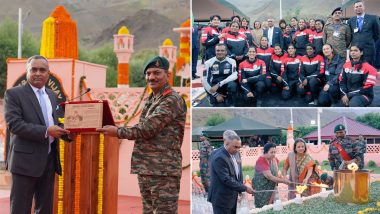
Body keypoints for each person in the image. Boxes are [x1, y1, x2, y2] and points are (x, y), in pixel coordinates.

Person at [96, 56, 187, 214]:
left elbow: (147, 129)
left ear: (168, 75)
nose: (151, 77)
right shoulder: (153, 99)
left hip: (163, 169)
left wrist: (117, 132)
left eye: (156, 73)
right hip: (147, 168)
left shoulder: (171, 99)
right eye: (148, 73)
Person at [4, 55, 71, 213]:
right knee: (20, 208)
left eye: (42, 70)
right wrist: (47, 131)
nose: (38, 73)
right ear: (27, 72)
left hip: (48, 161)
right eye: (33, 69)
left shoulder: (51, 95)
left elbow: (53, 122)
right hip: (24, 162)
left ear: (48, 74)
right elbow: (15, 125)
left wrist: (67, 132)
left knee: (45, 208)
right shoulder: (14, 94)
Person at [208, 130, 254, 214]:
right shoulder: (219, 157)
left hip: (232, 196)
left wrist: (239, 190)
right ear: (226, 144)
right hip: (221, 198)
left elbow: (238, 173)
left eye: (239, 147)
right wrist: (244, 188)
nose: (237, 150)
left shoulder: (236, 153)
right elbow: (226, 179)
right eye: (235, 147)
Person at [252, 143, 290, 208]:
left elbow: (275, 171)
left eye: (274, 152)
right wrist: (283, 181)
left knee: (272, 207)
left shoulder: (274, 159)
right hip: (262, 189)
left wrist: (282, 177)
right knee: (262, 208)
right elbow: (269, 176)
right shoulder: (261, 160)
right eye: (271, 152)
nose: (273, 154)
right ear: (265, 152)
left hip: (272, 188)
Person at [347, 0, 380, 66]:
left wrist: (369, 41)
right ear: (354, 8)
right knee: (356, 68)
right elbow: (350, 35)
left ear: (364, 7)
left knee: (368, 68)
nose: (358, 8)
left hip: (368, 49)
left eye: (360, 6)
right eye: (356, 7)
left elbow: (377, 34)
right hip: (355, 50)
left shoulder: (373, 18)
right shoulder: (350, 21)